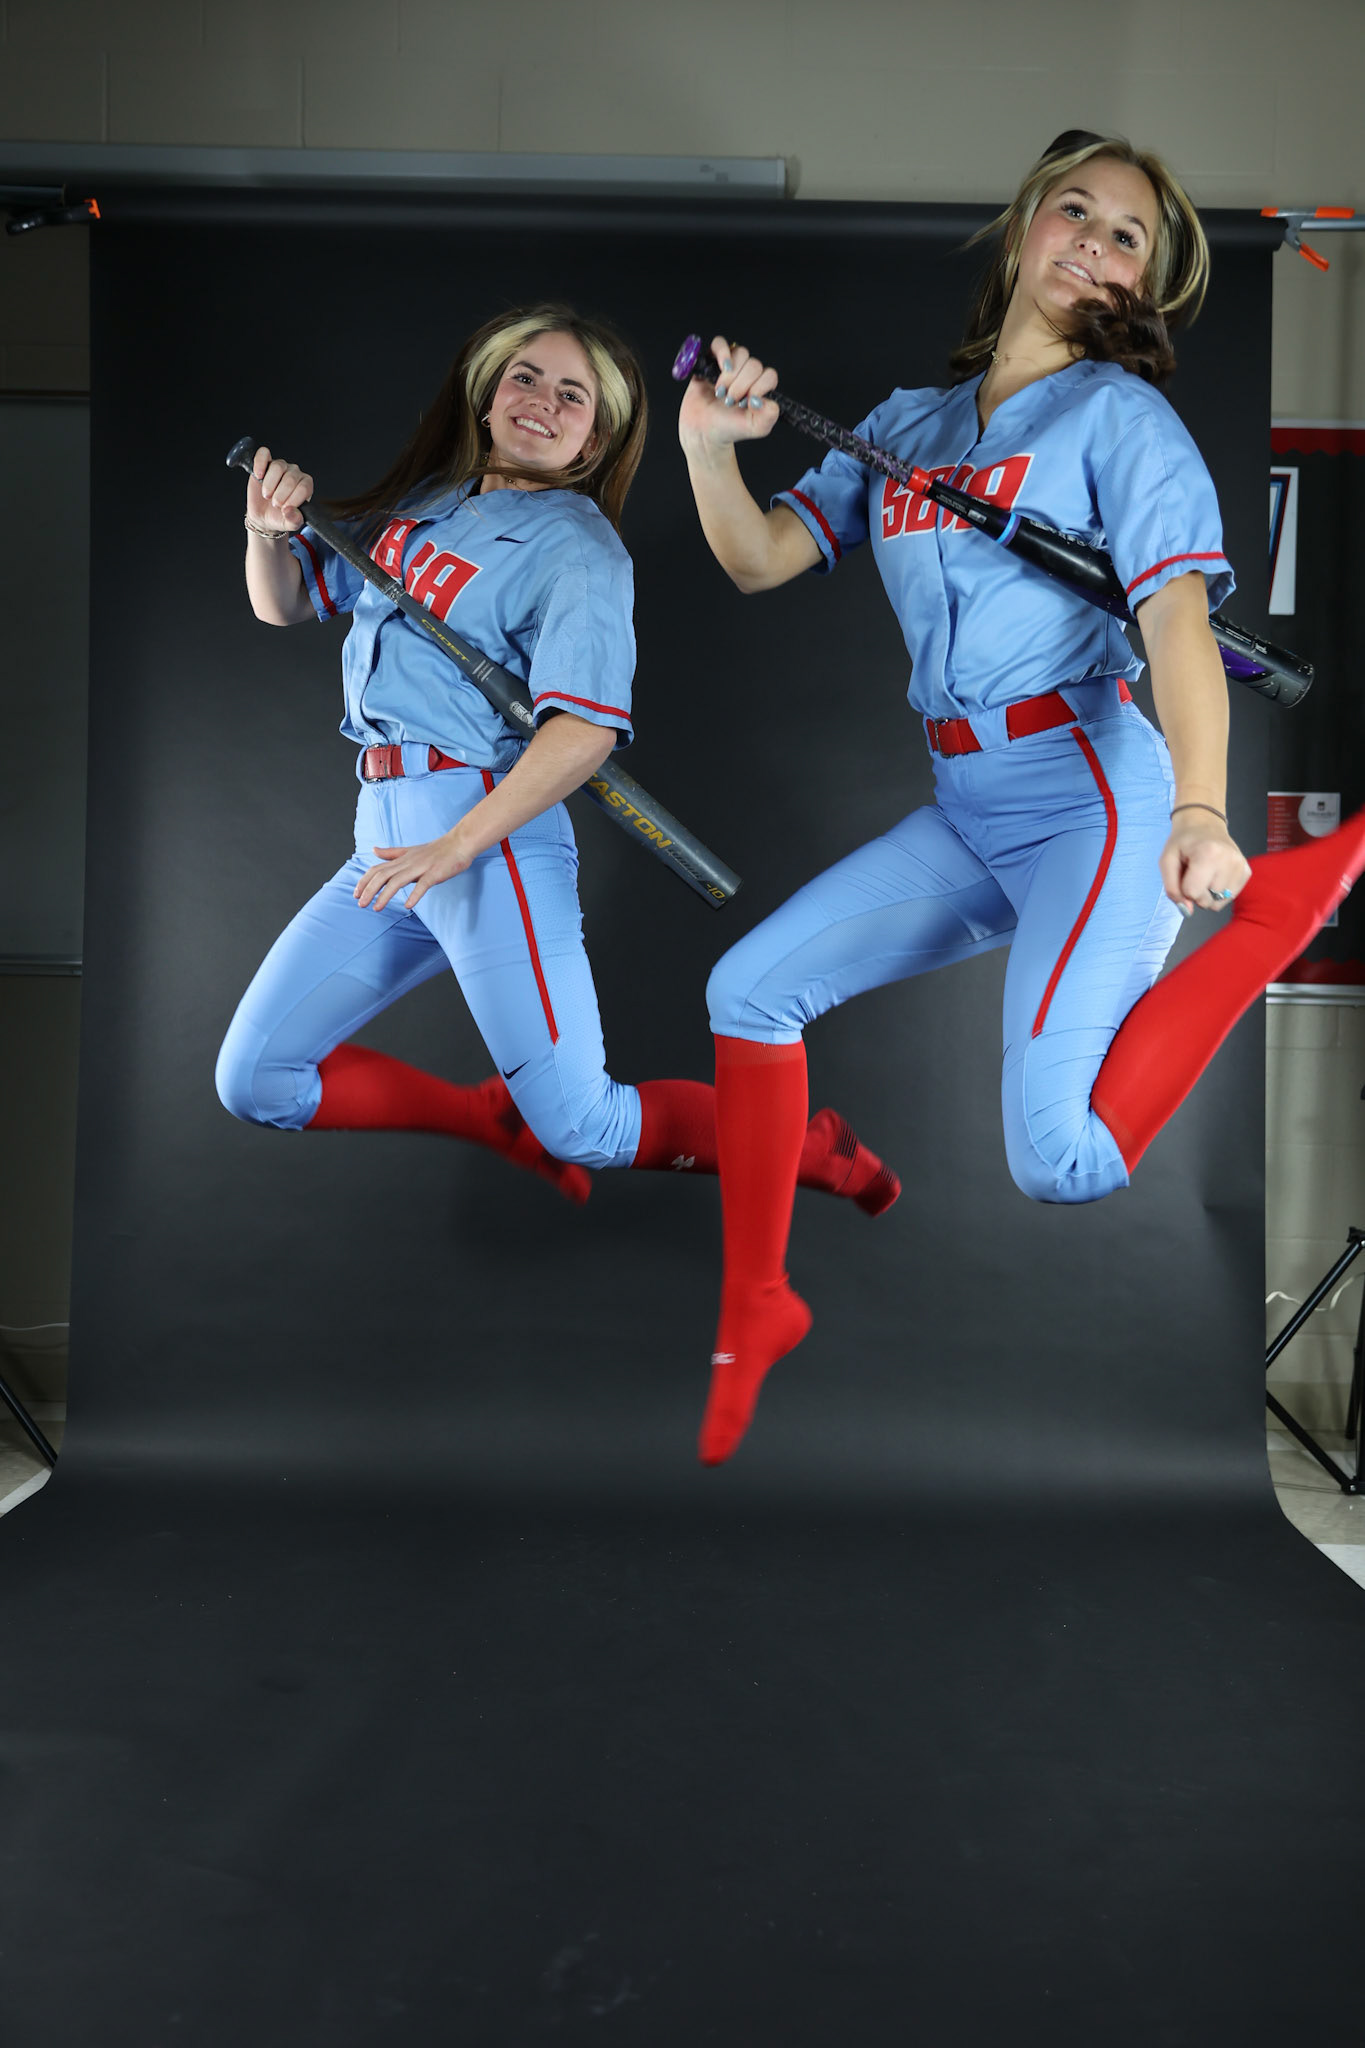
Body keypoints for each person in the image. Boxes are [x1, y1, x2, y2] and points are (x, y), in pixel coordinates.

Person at [678, 133, 1365, 1465]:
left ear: (1141, 292)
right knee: (744, 993)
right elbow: (763, 558)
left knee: (1060, 1159)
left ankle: (1277, 913)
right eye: (1077, 212)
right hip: (964, 800)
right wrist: (710, 450)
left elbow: (1173, 624)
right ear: (1020, 228)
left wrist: (1204, 813)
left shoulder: (1122, 422)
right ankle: (758, 1302)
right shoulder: (900, 427)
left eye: (1128, 242)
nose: (1095, 247)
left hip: (1094, 793)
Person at [215, 304, 898, 1235]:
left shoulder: (576, 546)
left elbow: (581, 735)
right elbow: (287, 606)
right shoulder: (422, 508)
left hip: (486, 838)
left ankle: (808, 1151)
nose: (543, 402)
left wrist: (456, 847)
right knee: (254, 1078)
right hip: (386, 838)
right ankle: (480, 1115)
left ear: (597, 434)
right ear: (489, 394)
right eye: (526, 378)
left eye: (573, 395)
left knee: (584, 1124)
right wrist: (265, 533)